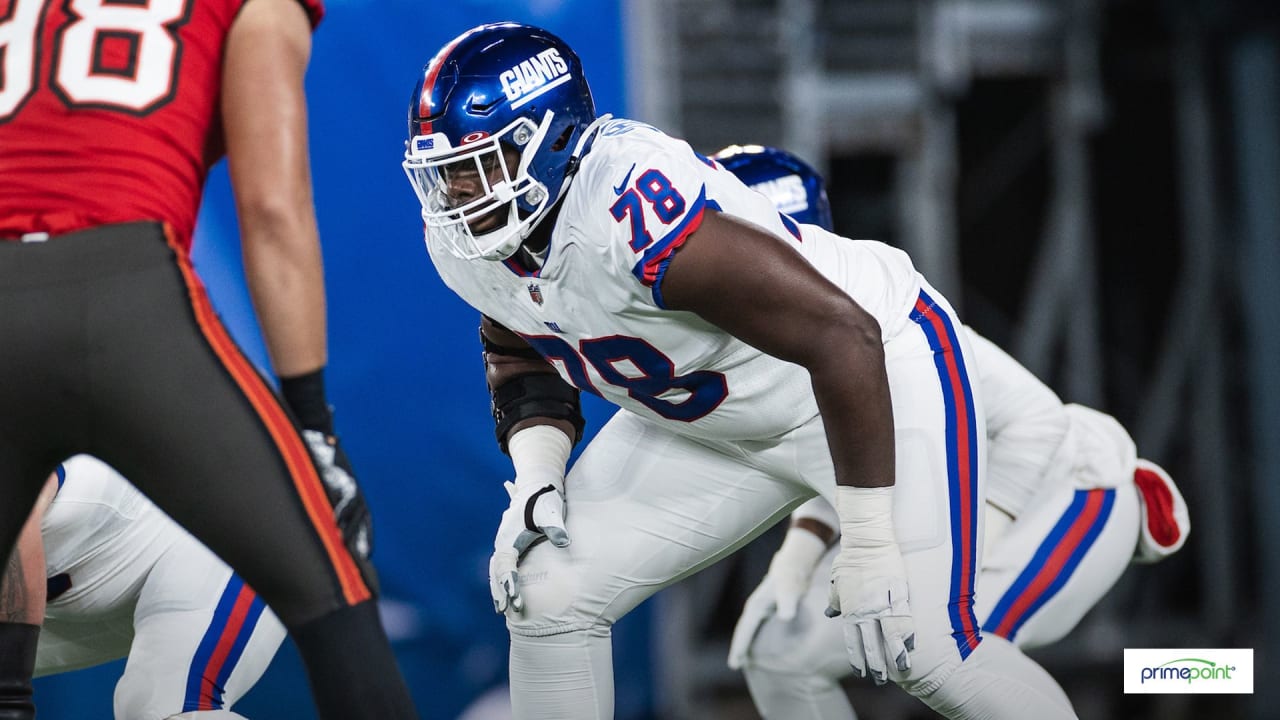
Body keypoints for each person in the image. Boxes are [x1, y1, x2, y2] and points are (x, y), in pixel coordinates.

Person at [402, 21, 1080, 720]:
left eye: (471, 167)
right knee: (547, 589)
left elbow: (842, 334)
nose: (453, 195)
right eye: (442, 172)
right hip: (716, 416)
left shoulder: (628, 209)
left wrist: (868, 533)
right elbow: (520, 340)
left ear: (546, 141)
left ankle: (1186, 672)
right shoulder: (467, 241)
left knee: (925, 647)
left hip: (866, 376)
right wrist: (539, 473)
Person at [0, 0, 417, 717]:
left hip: (165, 549)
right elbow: (272, 205)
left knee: (164, 705)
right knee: (337, 604)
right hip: (133, 295)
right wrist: (313, 425)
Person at [715, 144, 1189, 719]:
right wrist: (800, 548)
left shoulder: (879, 317)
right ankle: (1235, 669)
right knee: (778, 656)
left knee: (961, 647)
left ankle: (1229, 671)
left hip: (1071, 489)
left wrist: (972, 544)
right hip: (963, 510)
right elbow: (838, 452)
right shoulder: (767, 334)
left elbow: (1034, 423)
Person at [1, 457, 286, 719]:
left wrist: (10, 698)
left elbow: (16, 521)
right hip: (82, 592)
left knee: (161, 708)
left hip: (210, 538)